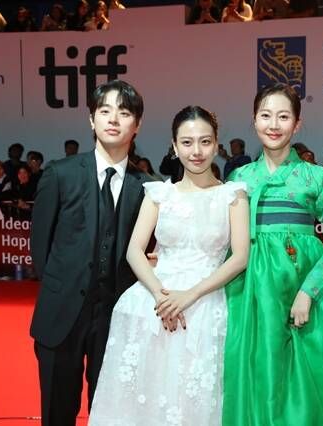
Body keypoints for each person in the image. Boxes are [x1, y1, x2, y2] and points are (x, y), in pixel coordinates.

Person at [223, 83, 323, 425]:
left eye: (283, 117)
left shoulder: (316, 176)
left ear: (297, 124)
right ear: (254, 120)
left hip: (305, 289)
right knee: (258, 374)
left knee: (318, 385)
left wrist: (308, 292)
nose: (274, 124)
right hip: (251, 292)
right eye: (265, 115)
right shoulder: (240, 177)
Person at [89, 106, 249, 425]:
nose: (196, 151)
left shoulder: (233, 195)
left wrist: (190, 295)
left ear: (217, 144)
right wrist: (161, 296)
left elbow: (240, 257)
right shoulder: (159, 193)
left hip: (206, 305)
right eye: (186, 142)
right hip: (154, 304)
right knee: (150, 397)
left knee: (196, 397)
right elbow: (135, 251)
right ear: (175, 146)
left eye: (205, 141)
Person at [29, 80, 151, 426]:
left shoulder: (148, 187)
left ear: (137, 125)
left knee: (110, 415)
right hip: (60, 315)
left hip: (117, 318)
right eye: (105, 110)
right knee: (57, 414)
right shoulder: (60, 174)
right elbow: (40, 247)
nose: (113, 119)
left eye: (124, 112)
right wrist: (62, 288)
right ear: (91, 119)